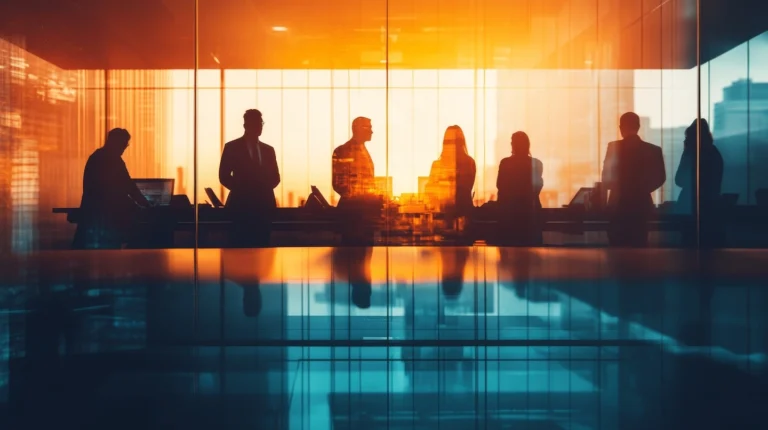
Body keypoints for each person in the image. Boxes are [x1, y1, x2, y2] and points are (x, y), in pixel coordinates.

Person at [73, 128, 151, 249]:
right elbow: (127, 186)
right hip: (107, 217)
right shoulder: (113, 159)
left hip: (93, 214)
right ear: (118, 143)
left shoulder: (96, 156)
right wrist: (145, 204)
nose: (125, 148)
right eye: (124, 144)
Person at [601, 112, 666, 247]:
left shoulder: (613, 147)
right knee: (640, 247)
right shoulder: (653, 150)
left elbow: (605, 177)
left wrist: (618, 189)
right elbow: (660, 177)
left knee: (616, 251)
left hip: (617, 207)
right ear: (638, 127)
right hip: (641, 206)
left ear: (621, 128)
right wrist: (641, 190)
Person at [219, 109, 281, 247]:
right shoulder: (232, 147)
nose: (260, 127)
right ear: (246, 125)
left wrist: (260, 190)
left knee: (263, 249)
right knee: (239, 248)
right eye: (257, 123)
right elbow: (223, 176)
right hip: (241, 207)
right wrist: (244, 190)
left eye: (261, 123)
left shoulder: (268, 150)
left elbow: (276, 177)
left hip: (264, 208)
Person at [332, 117, 381, 245]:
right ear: (358, 129)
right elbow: (338, 183)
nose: (372, 131)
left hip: (364, 213)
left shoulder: (363, 151)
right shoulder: (343, 151)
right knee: (352, 256)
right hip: (353, 214)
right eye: (368, 127)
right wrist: (362, 195)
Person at [675, 119, 724, 247]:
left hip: (690, 206)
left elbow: (679, 180)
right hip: (710, 207)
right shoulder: (714, 153)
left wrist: (685, 152)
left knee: (688, 248)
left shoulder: (691, 154)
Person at [495, 131, 544, 246]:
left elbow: (500, 185)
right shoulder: (536, 164)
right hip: (530, 215)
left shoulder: (506, 163)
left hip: (509, 215)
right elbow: (536, 187)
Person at [425, 125, 477, 232]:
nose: (452, 145)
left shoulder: (468, 162)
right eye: (449, 141)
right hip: (449, 214)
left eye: (454, 141)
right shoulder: (469, 162)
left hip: (457, 214)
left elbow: (464, 188)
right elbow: (430, 190)